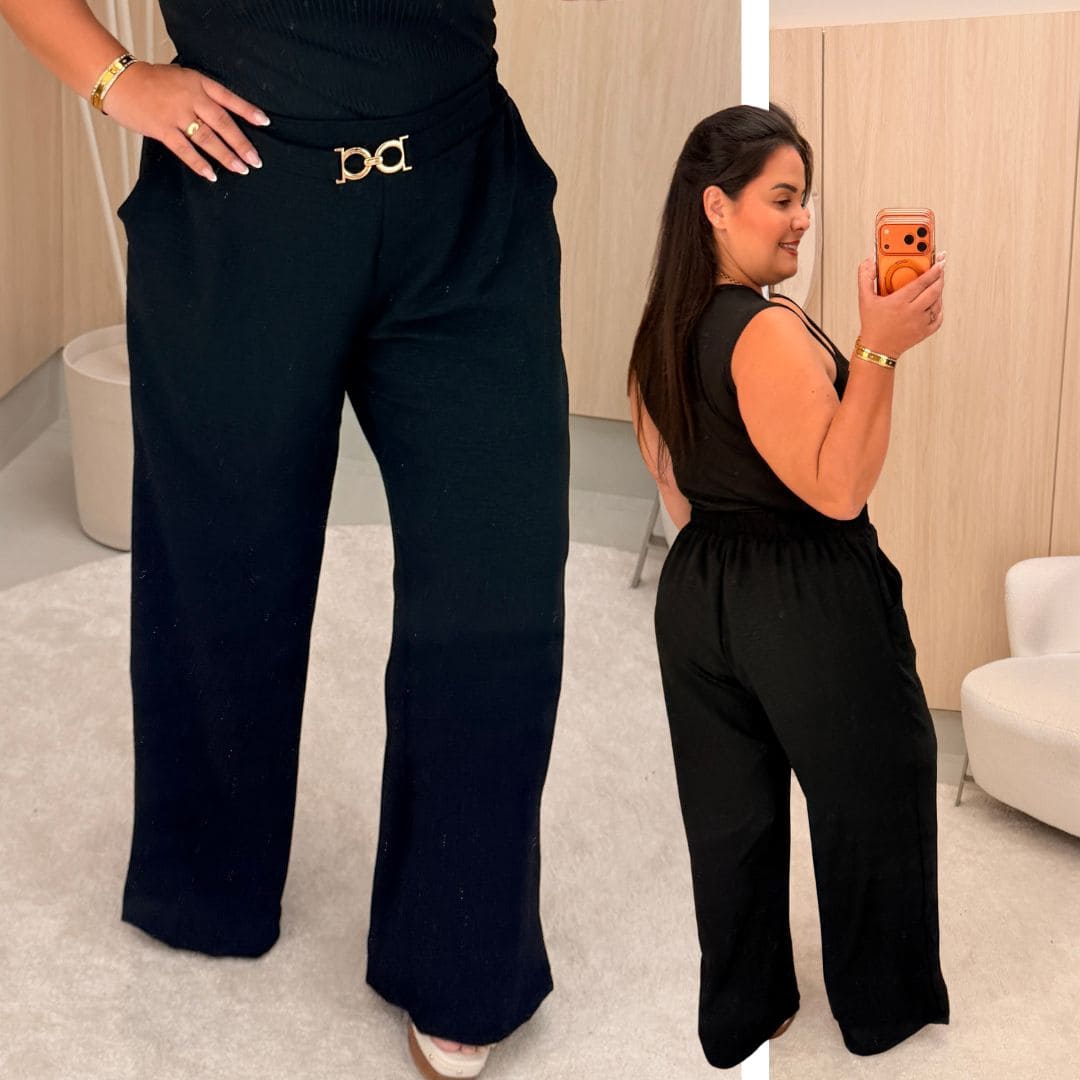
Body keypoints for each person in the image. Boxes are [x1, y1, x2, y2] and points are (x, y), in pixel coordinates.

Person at [0, 2, 599, 1076]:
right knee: (222, 570)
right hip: (241, 201)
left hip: (465, 194)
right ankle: (207, 880)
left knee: (498, 581)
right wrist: (118, 81)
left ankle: (461, 954)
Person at [627, 103, 951, 1069]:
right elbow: (838, 489)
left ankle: (748, 1009)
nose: (803, 217)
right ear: (715, 206)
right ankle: (882, 1011)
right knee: (876, 790)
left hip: (699, 591)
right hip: (808, 593)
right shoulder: (764, 329)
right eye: (782, 197)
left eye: (804, 197)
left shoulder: (658, 334)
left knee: (730, 816)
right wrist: (879, 348)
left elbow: (676, 495)